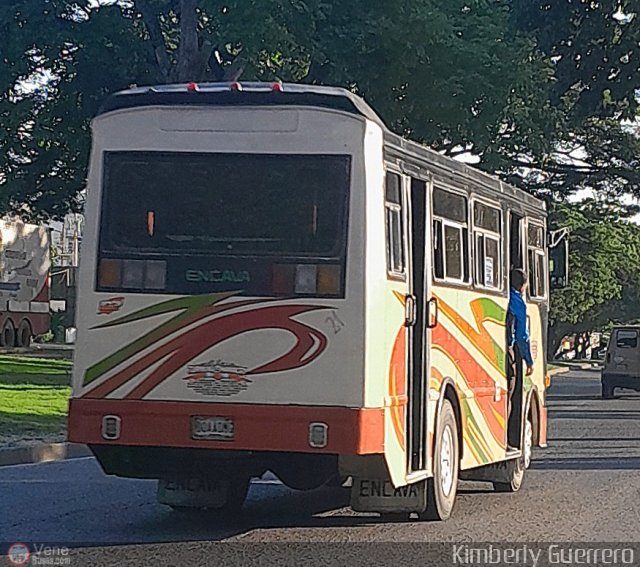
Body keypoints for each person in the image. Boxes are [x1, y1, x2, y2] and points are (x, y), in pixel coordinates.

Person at [506, 268, 534, 431]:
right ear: (523, 286)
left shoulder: (505, 297)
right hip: (508, 351)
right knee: (509, 394)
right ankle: (507, 436)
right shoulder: (517, 302)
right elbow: (522, 336)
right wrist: (528, 361)